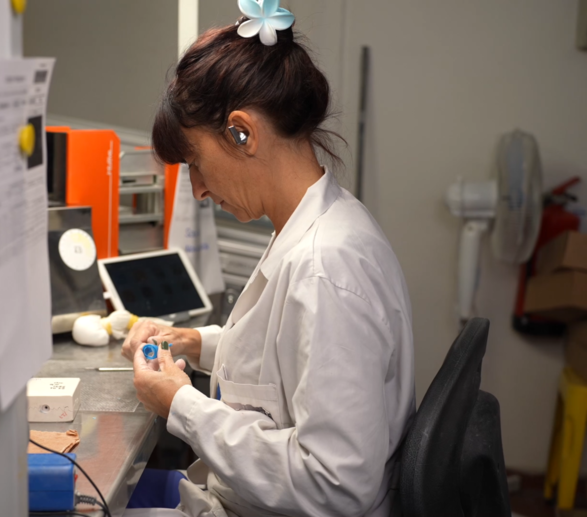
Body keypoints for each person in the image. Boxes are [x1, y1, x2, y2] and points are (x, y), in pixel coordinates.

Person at [121, 2, 415, 516]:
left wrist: (182, 405)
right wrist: (193, 342)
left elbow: (337, 485)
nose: (198, 189)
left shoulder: (328, 266)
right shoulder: (320, 222)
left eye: (196, 162)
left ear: (243, 132)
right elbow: (290, 356)